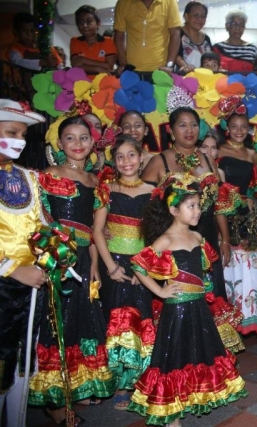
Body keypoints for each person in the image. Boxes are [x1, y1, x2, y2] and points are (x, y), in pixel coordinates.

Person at [128, 173, 247, 426]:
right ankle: (171, 413)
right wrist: (160, 292)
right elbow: (138, 265)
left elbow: (203, 269)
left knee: (197, 352)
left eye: (198, 205)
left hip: (198, 307)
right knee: (174, 356)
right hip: (177, 310)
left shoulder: (198, 237)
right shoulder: (166, 240)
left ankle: (192, 394)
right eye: (191, 206)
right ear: (173, 209)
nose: (197, 211)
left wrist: (203, 288)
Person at [29, 117, 116, 424]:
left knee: (82, 322)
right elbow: (38, 218)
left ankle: (74, 388)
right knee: (57, 325)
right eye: (70, 138)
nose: (78, 144)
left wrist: (93, 264)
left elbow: (94, 231)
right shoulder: (49, 175)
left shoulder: (97, 182)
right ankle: (55, 405)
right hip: (55, 259)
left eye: (84, 138)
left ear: (93, 144)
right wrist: (54, 254)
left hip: (82, 262)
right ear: (59, 144)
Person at [142, 108, 234, 304]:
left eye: (193, 125)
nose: (189, 130)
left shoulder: (209, 161)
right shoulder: (159, 162)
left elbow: (218, 203)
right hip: (174, 240)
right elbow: (143, 206)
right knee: (182, 300)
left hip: (207, 235)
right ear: (170, 130)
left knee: (211, 296)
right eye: (182, 125)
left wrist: (225, 239)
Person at [92, 135, 155, 410]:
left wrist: (150, 265)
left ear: (142, 158)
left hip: (141, 264)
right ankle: (119, 383)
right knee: (117, 322)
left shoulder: (154, 191)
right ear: (114, 161)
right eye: (120, 156)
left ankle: (139, 379)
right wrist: (111, 267)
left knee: (142, 319)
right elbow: (96, 230)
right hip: (114, 264)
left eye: (132, 155)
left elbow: (156, 232)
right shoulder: (106, 188)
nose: (126, 161)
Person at [0, 99, 47, 427]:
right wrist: (14, 270)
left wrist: (51, 252)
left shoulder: (30, 178)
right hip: (5, 284)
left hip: (31, 289)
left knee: (22, 363)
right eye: (11, 132)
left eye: (23, 134)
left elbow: (43, 224)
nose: (20, 139)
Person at [113, 0, 181, 76]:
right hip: (131, 69)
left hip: (161, 69)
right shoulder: (123, 3)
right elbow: (119, 37)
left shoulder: (169, 2)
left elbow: (175, 35)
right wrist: (123, 63)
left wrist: (169, 65)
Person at [217, 110, 257, 213]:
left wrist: (251, 213)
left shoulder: (253, 154)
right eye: (234, 126)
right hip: (223, 210)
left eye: (243, 126)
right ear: (228, 128)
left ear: (248, 129)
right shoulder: (219, 150)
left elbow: (251, 189)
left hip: (245, 210)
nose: (239, 131)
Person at [71, 5, 117, 78]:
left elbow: (109, 66)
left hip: (104, 84)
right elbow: (76, 65)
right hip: (81, 85)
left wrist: (83, 60)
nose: (85, 25)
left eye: (89, 21)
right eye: (80, 22)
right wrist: (97, 68)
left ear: (98, 23)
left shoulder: (108, 41)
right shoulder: (75, 41)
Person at [175, 1, 212, 74]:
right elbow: (175, 56)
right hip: (182, 78)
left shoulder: (206, 39)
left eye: (203, 16)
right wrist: (187, 68)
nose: (200, 19)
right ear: (186, 16)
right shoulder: (177, 34)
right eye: (195, 15)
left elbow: (211, 59)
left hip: (204, 78)